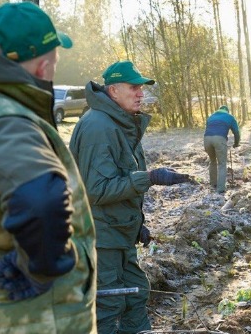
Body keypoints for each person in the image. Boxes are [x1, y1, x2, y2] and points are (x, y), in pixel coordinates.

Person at [0, 2, 96, 333]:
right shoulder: (4, 118)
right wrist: (41, 269)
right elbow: (41, 198)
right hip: (28, 316)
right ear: (43, 66)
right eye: (54, 59)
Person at [69, 60, 192, 333]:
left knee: (136, 293)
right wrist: (149, 178)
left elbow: (119, 178)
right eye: (134, 87)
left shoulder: (120, 123)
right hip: (100, 237)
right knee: (108, 306)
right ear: (113, 91)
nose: (141, 93)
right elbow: (97, 189)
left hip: (119, 232)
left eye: (142, 88)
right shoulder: (98, 128)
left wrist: (138, 224)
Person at [204, 105, 240, 193]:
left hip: (206, 139)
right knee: (222, 164)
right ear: (227, 111)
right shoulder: (230, 117)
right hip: (219, 139)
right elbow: (236, 131)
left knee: (212, 161)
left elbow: (209, 129)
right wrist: (236, 143)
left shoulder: (211, 117)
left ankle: (213, 184)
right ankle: (220, 189)